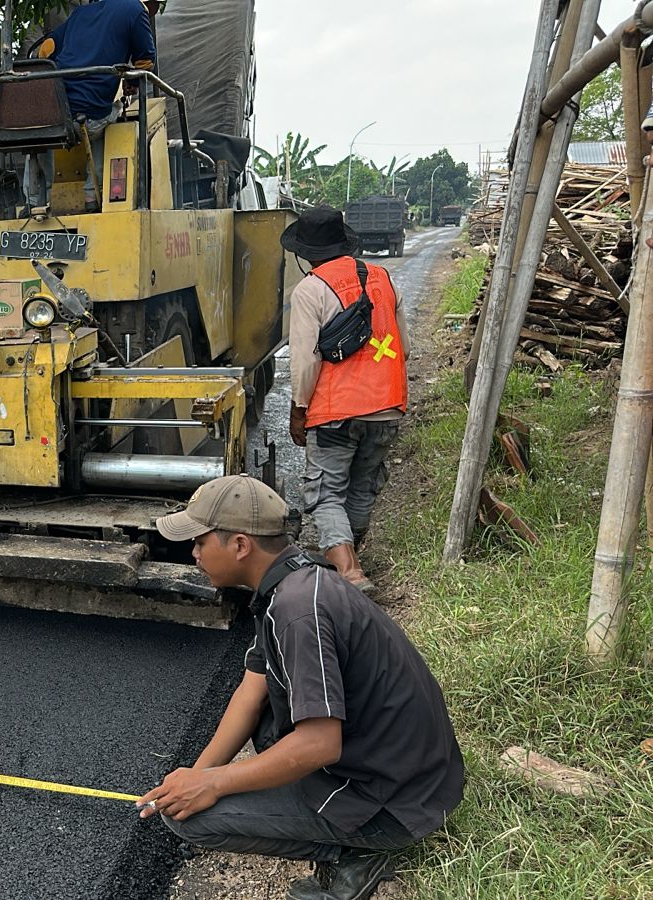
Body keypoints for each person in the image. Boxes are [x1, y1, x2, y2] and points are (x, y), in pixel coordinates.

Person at [139, 474, 464, 900]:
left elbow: (319, 747)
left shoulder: (296, 614)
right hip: (406, 771)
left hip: (396, 803)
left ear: (240, 545)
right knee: (263, 729)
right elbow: (249, 694)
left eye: (200, 542)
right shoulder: (292, 580)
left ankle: (359, 851)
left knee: (190, 821)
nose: (194, 553)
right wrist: (198, 776)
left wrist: (214, 786)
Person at [283, 206, 408, 592]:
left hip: (336, 411)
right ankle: (351, 556)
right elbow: (406, 345)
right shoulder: (383, 277)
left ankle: (350, 572)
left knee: (326, 493)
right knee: (362, 484)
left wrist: (298, 410)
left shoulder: (310, 290)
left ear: (306, 254)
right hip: (386, 406)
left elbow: (305, 361)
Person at [23, 0, 157, 210]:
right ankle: (91, 196)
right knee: (114, 116)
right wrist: (131, 84)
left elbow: (46, 50)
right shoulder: (136, 9)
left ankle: (33, 202)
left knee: (40, 135)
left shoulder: (80, 13)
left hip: (56, 114)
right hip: (90, 118)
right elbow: (146, 61)